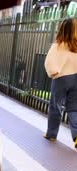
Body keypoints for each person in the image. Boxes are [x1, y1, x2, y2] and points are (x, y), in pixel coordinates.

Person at [43, 18, 77, 149]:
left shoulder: (57, 46)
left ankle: (51, 134)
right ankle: (76, 136)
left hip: (61, 79)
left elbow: (49, 63)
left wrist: (54, 72)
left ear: (62, 29)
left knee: (55, 106)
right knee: (74, 108)